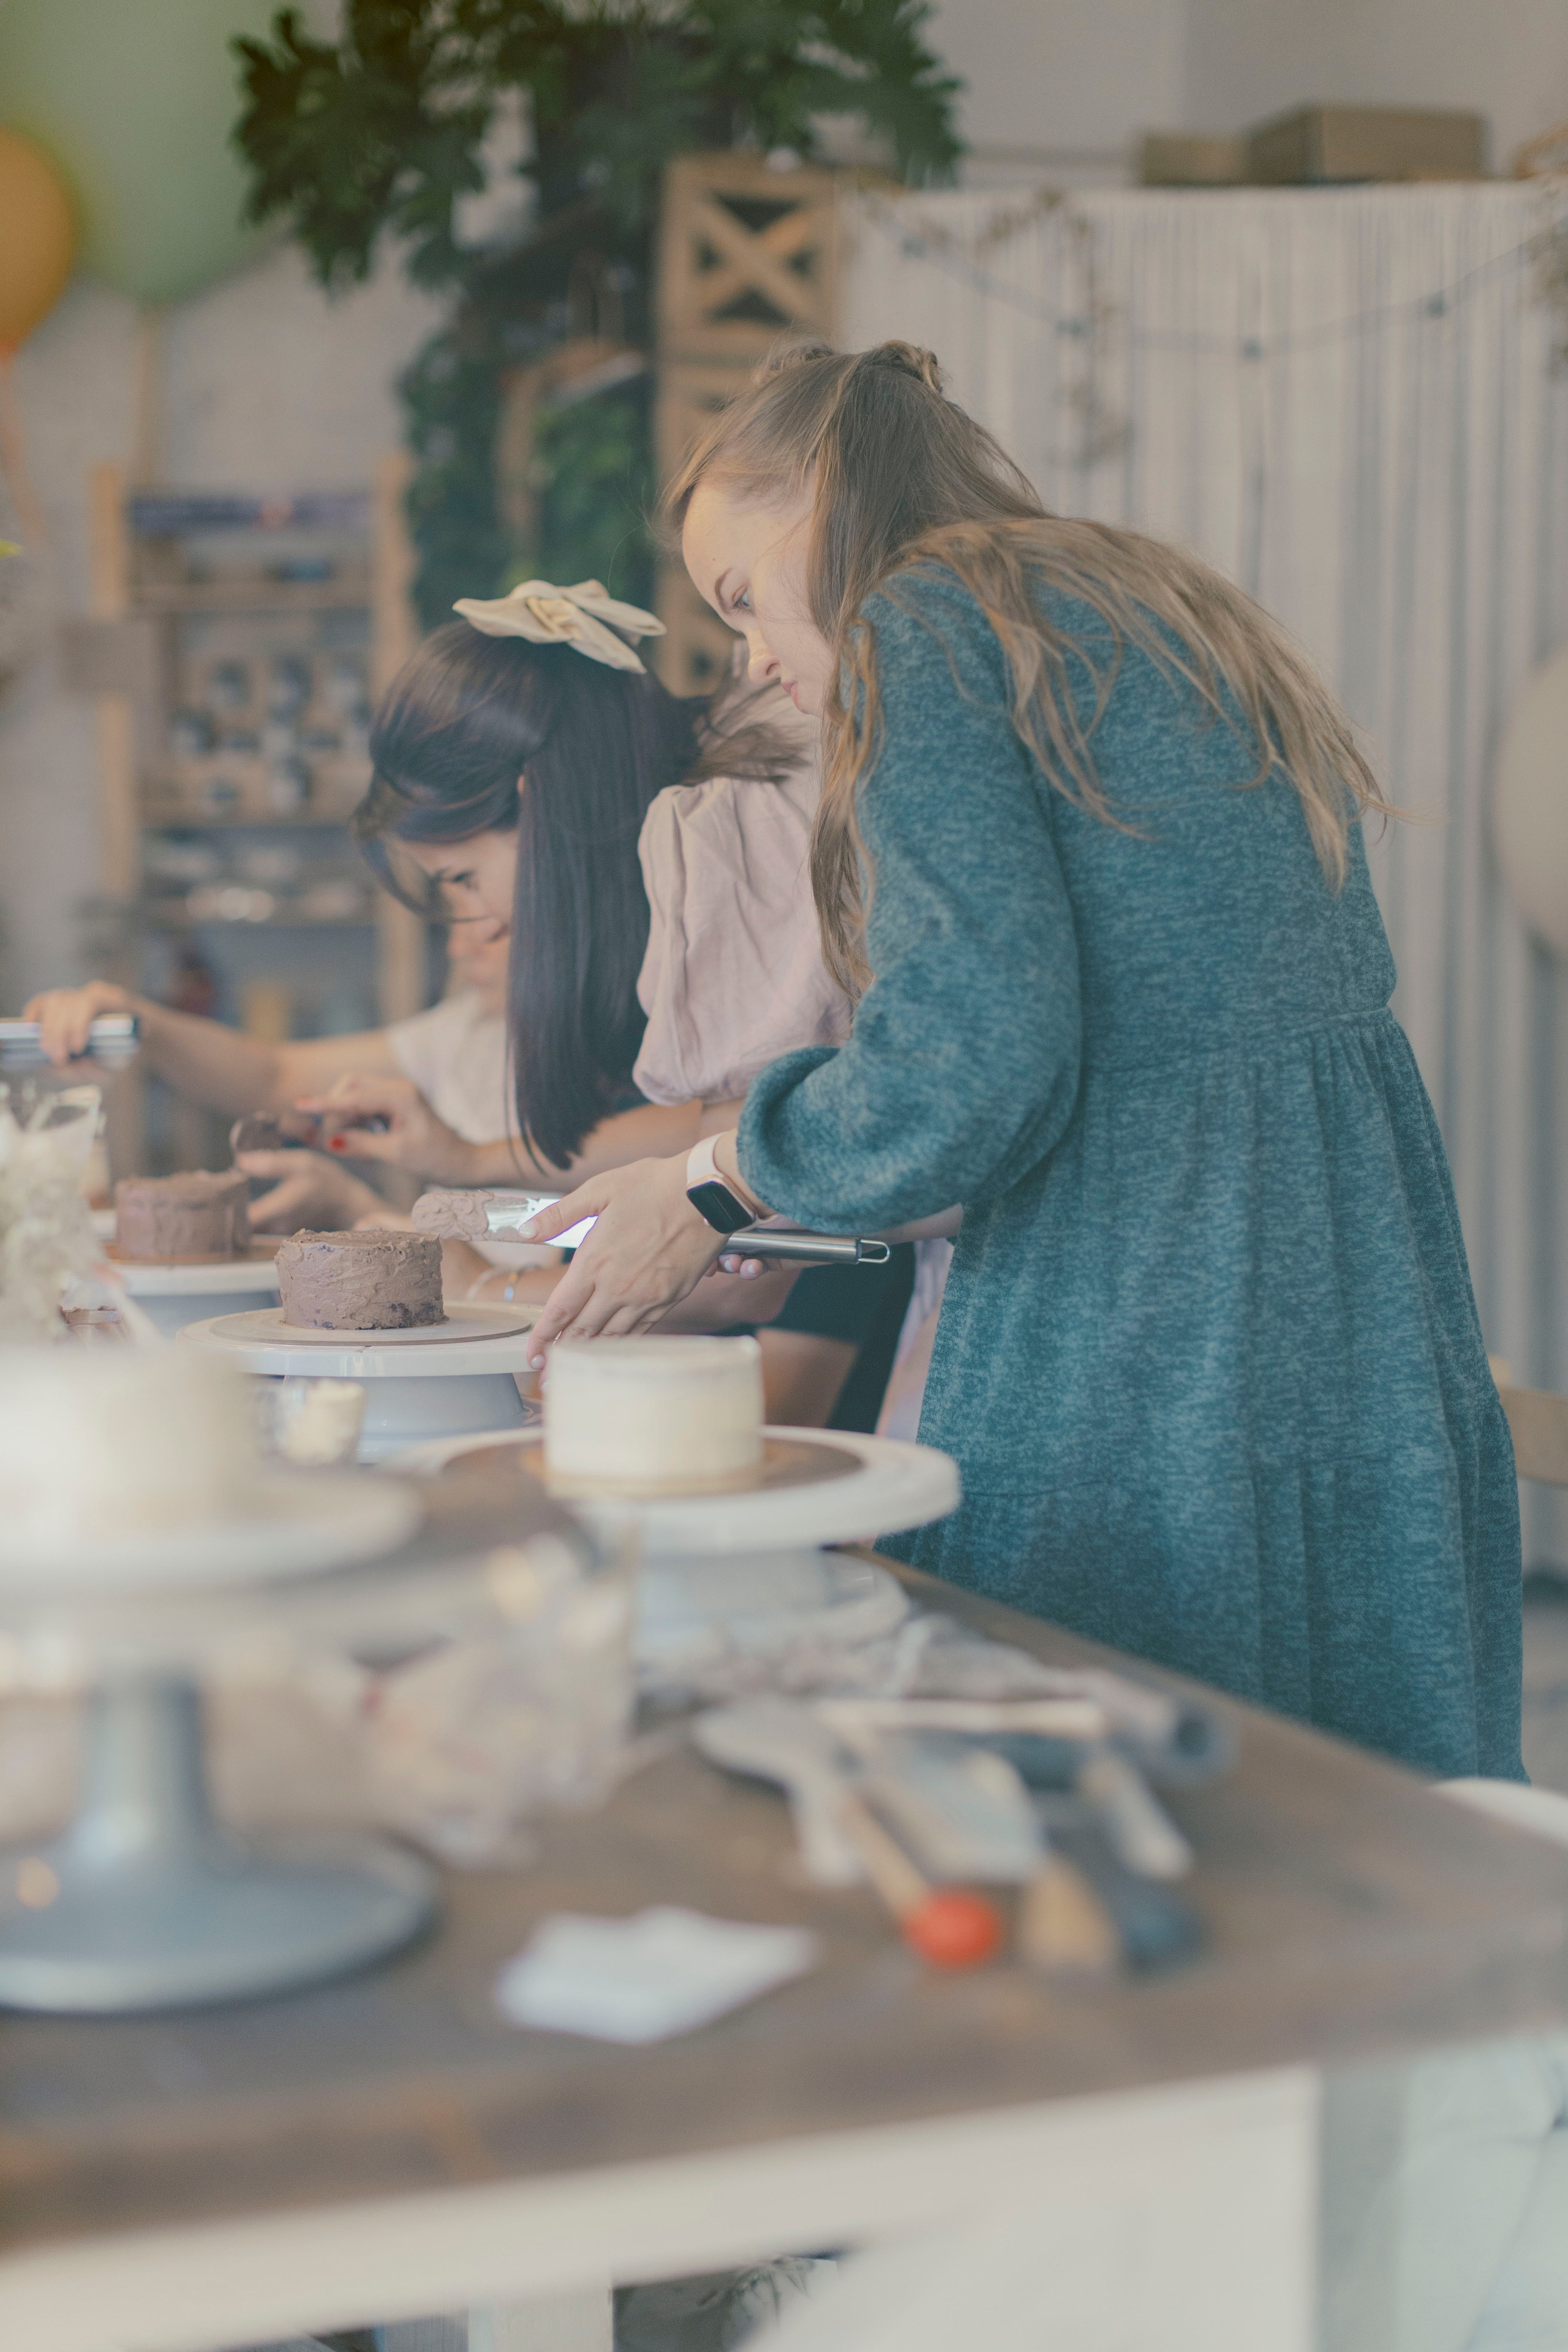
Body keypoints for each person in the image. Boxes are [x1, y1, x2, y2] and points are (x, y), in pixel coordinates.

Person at [518, 339, 1522, 1782]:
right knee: (1348, 1817)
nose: (754, 663)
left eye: (741, 599)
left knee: (1104, 1791)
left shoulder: (913, 626)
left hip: (1149, 1310)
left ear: (821, 496)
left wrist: (713, 1185)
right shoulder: (1142, 594)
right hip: (1348, 1289)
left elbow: (969, 1055)